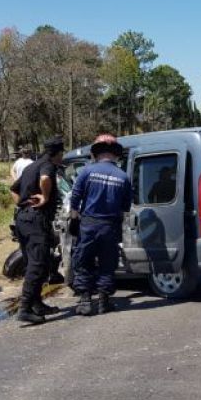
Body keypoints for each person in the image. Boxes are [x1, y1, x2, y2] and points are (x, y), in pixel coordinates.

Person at [69, 134, 132, 316]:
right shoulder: (123, 177)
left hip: (88, 224)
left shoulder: (87, 171)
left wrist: (74, 219)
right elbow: (125, 207)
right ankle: (104, 302)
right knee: (107, 263)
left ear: (96, 153)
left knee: (84, 261)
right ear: (115, 154)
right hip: (110, 225)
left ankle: (85, 302)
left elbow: (75, 197)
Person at [10, 137, 66, 324]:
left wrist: (21, 203)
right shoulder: (47, 165)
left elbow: (13, 189)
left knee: (36, 263)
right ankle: (25, 308)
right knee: (37, 265)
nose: (61, 157)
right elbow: (45, 178)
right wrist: (45, 197)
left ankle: (36, 303)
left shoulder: (29, 167)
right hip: (35, 221)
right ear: (56, 153)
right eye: (61, 154)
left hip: (23, 219)